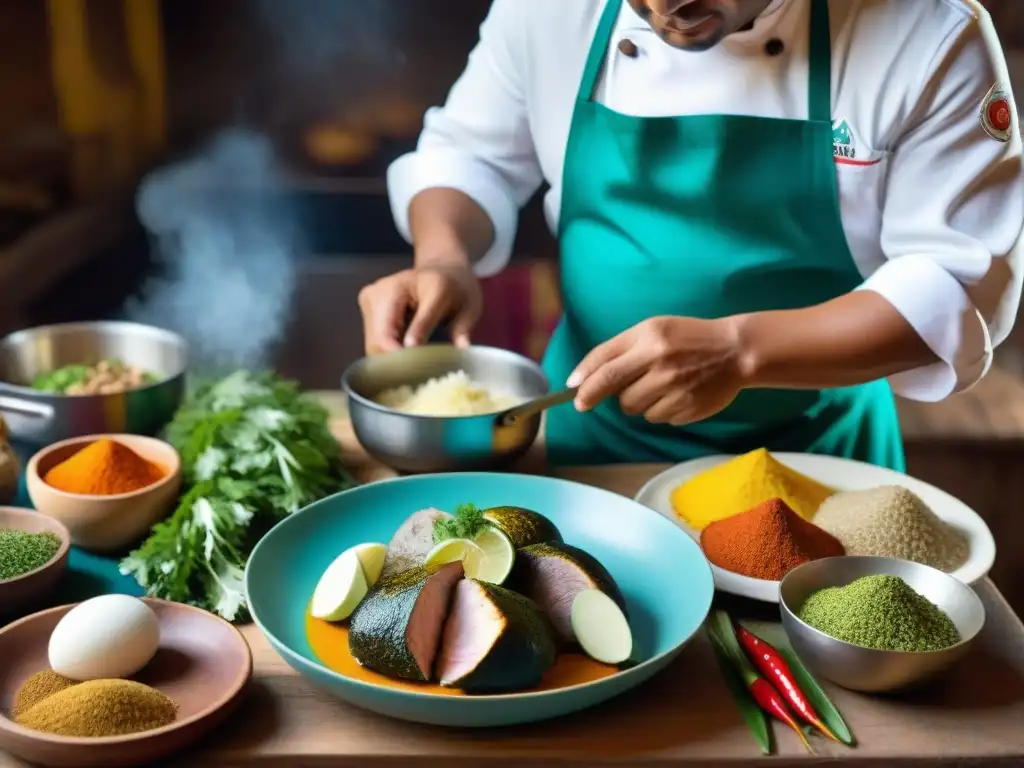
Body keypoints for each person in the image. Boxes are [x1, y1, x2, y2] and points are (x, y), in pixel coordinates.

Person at [358, 0, 1023, 469]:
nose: (668, 3)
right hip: (592, 443)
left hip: (818, 461)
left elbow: (956, 286)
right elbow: (470, 155)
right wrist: (445, 256)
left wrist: (742, 351)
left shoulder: (928, 34)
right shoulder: (548, 10)